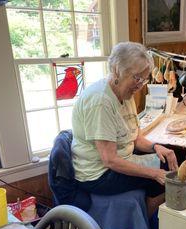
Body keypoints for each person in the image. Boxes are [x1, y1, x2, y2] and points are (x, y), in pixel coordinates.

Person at [71, 41, 178, 217]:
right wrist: (153, 173)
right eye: (137, 78)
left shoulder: (126, 93)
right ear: (116, 71)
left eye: (144, 79)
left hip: (120, 160)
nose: (140, 84)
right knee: (161, 179)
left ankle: (153, 222)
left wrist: (156, 147)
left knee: (168, 160)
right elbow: (110, 160)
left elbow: (135, 138)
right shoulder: (100, 101)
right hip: (98, 174)